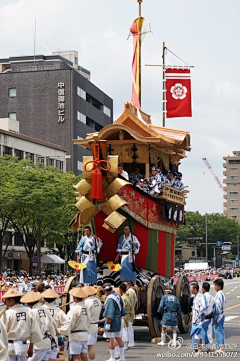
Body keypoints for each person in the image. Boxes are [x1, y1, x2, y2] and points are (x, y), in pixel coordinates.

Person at [2, 288, 42, 361]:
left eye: (6, 300)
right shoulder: (29, 311)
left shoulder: (7, 313)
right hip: (23, 346)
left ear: (11, 300)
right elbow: (35, 330)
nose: (5, 302)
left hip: (9, 347)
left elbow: (2, 332)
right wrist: (31, 347)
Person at [21, 290, 57, 361]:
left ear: (27, 303)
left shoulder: (32, 312)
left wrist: (30, 345)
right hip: (47, 341)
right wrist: (53, 336)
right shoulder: (44, 308)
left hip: (37, 344)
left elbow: (33, 330)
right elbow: (51, 324)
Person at [41, 288, 71, 354]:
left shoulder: (40, 309)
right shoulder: (58, 310)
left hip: (41, 338)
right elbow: (68, 322)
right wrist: (59, 331)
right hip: (53, 338)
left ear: (44, 299)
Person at [103, 284, 126, 361]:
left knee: (111, 339)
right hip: (118, 318)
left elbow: (110, 311)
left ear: (106, 291)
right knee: (119, 338)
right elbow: (122, 309)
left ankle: (112, 357)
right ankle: (122, 357)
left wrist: (108, 323)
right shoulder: (118, 296)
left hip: (112, 320)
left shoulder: (110, 298)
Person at [67, 287, 90, 361]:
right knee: (84, 355)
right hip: (84, 334)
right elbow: (89, 320)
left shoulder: (74, 309)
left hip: (75, 335)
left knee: (76, 356)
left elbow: (70, 323)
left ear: (74, 297)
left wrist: (64, 331)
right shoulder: (86, 307)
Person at [83, 286, 102, 361]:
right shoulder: (97, 300)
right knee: (91, 346)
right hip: (95, 323)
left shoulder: (87, 302)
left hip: (89, 325)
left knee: (88, 347)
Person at [190, 282, 206, 354]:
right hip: (195, 318)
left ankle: (199, 349)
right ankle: (195, 348)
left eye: (191, 288)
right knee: (194, 333)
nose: (190, 290)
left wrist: (199, 316)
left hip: (198, 319)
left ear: (195, 289)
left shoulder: (200, 297)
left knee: (198, 334)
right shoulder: (195, 297)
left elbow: (203, 307)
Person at [213, 278, 226, 353]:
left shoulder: (219, 294)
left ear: (219, 286)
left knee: (218, 331)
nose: (214, 287)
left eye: (215, 285)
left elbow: (218, 306)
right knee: (219, 330)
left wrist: (215, 317)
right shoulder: (222, 293)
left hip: (219, 315)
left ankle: (221, 348)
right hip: (221, 314)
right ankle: (220, 347)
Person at [201, 282, 215, 352]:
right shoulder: (212, 297)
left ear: (203, 289)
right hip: (210, 317)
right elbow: (215, 308)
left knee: (202, 332)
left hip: (204, 317)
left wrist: (199, 312)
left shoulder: (203, 296)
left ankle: (204, 347)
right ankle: (209, 348)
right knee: (209, 333)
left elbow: (203, 307)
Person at [119, 283, 133, 350]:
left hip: (123, 315)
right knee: (126, 330)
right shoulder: (128, 297)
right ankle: (127, 344)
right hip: (128, 314)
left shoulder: (122, 298)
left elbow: (121, 308)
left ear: (120, 290)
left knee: (124, 330)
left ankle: (125, 345)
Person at [123, 281, 137, 347]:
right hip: (130, 311)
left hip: (129, 311)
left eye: (125, 285)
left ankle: (131, 342)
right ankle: (130, 342)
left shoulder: (130, 291)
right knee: (128, 328)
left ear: (129, 285)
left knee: (129, 328)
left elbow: (131, 302)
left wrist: (130, 311)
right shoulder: (130, 291)